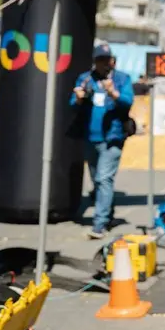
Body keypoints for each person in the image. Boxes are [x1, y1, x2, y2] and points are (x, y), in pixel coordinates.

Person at [70, 43, 134, 239]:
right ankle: (109, 214)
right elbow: (72, 104)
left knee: (103, 178)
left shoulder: (122, 79)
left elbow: (127, 101)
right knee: (98, 180)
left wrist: (113, 92)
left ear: (112, 61)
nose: (104, 64)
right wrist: (78, 98)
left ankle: (99, 224)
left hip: (112, 137)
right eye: (99, 60)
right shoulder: (86, 78)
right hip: (91, 137)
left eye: (106, 60)